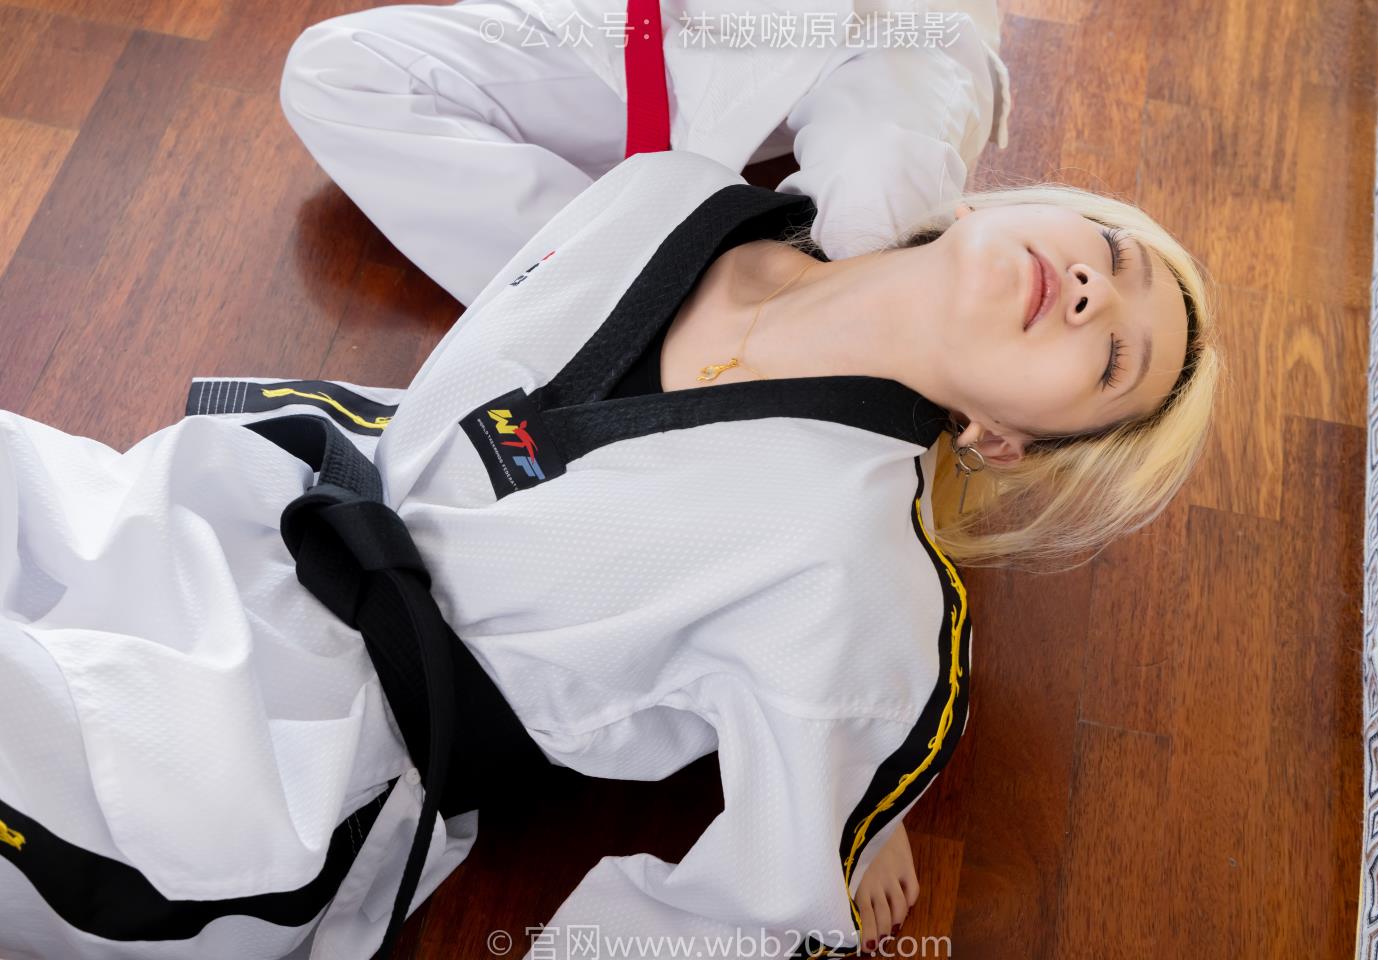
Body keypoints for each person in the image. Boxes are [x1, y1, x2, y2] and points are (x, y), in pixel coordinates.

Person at [0, 148, 1219, 960]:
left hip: (287, 754)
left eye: (1110, 357)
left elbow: (736, 921)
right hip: (211, 511)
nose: (1089, 294)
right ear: (998, 206)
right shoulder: (664, 193)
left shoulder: (859, 583)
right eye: (1111, 256)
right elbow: (485, 442)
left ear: (1004, 441)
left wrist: (852, 790)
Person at [277, 0, 1012, 306]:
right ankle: (609, 298)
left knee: (878, 218)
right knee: (338, 70)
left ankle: (750, 335)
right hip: (653, 26)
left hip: (872, 31)